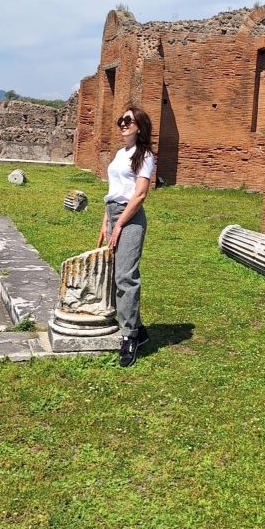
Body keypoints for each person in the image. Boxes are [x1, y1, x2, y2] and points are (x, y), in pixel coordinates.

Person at [97, 104, 155, 367]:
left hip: (130, 218)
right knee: (114, 274)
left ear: (139, 127)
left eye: (128, 121)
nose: (123, 123)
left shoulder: (145, 155)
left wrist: (120, 224)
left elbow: (139, 195)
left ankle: (129, 337)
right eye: (121, 120)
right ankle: (139, 330)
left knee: (125, 277)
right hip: (114, 214)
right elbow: (113, 191)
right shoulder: (120, 153)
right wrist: (106, 222)